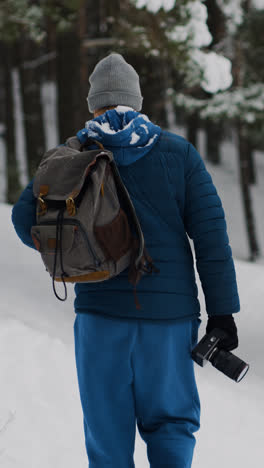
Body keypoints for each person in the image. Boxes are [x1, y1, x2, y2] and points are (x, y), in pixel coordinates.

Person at [11, 53, 240, 468]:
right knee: (171, 424)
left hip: (101, 318)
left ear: (92, 103)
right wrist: (222, 313)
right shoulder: (179, 153)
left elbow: (23, 218)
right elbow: (212, 238)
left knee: (108, 436)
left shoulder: (72, 154)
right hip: (170, 322)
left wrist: (74, 251)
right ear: (137, 101)